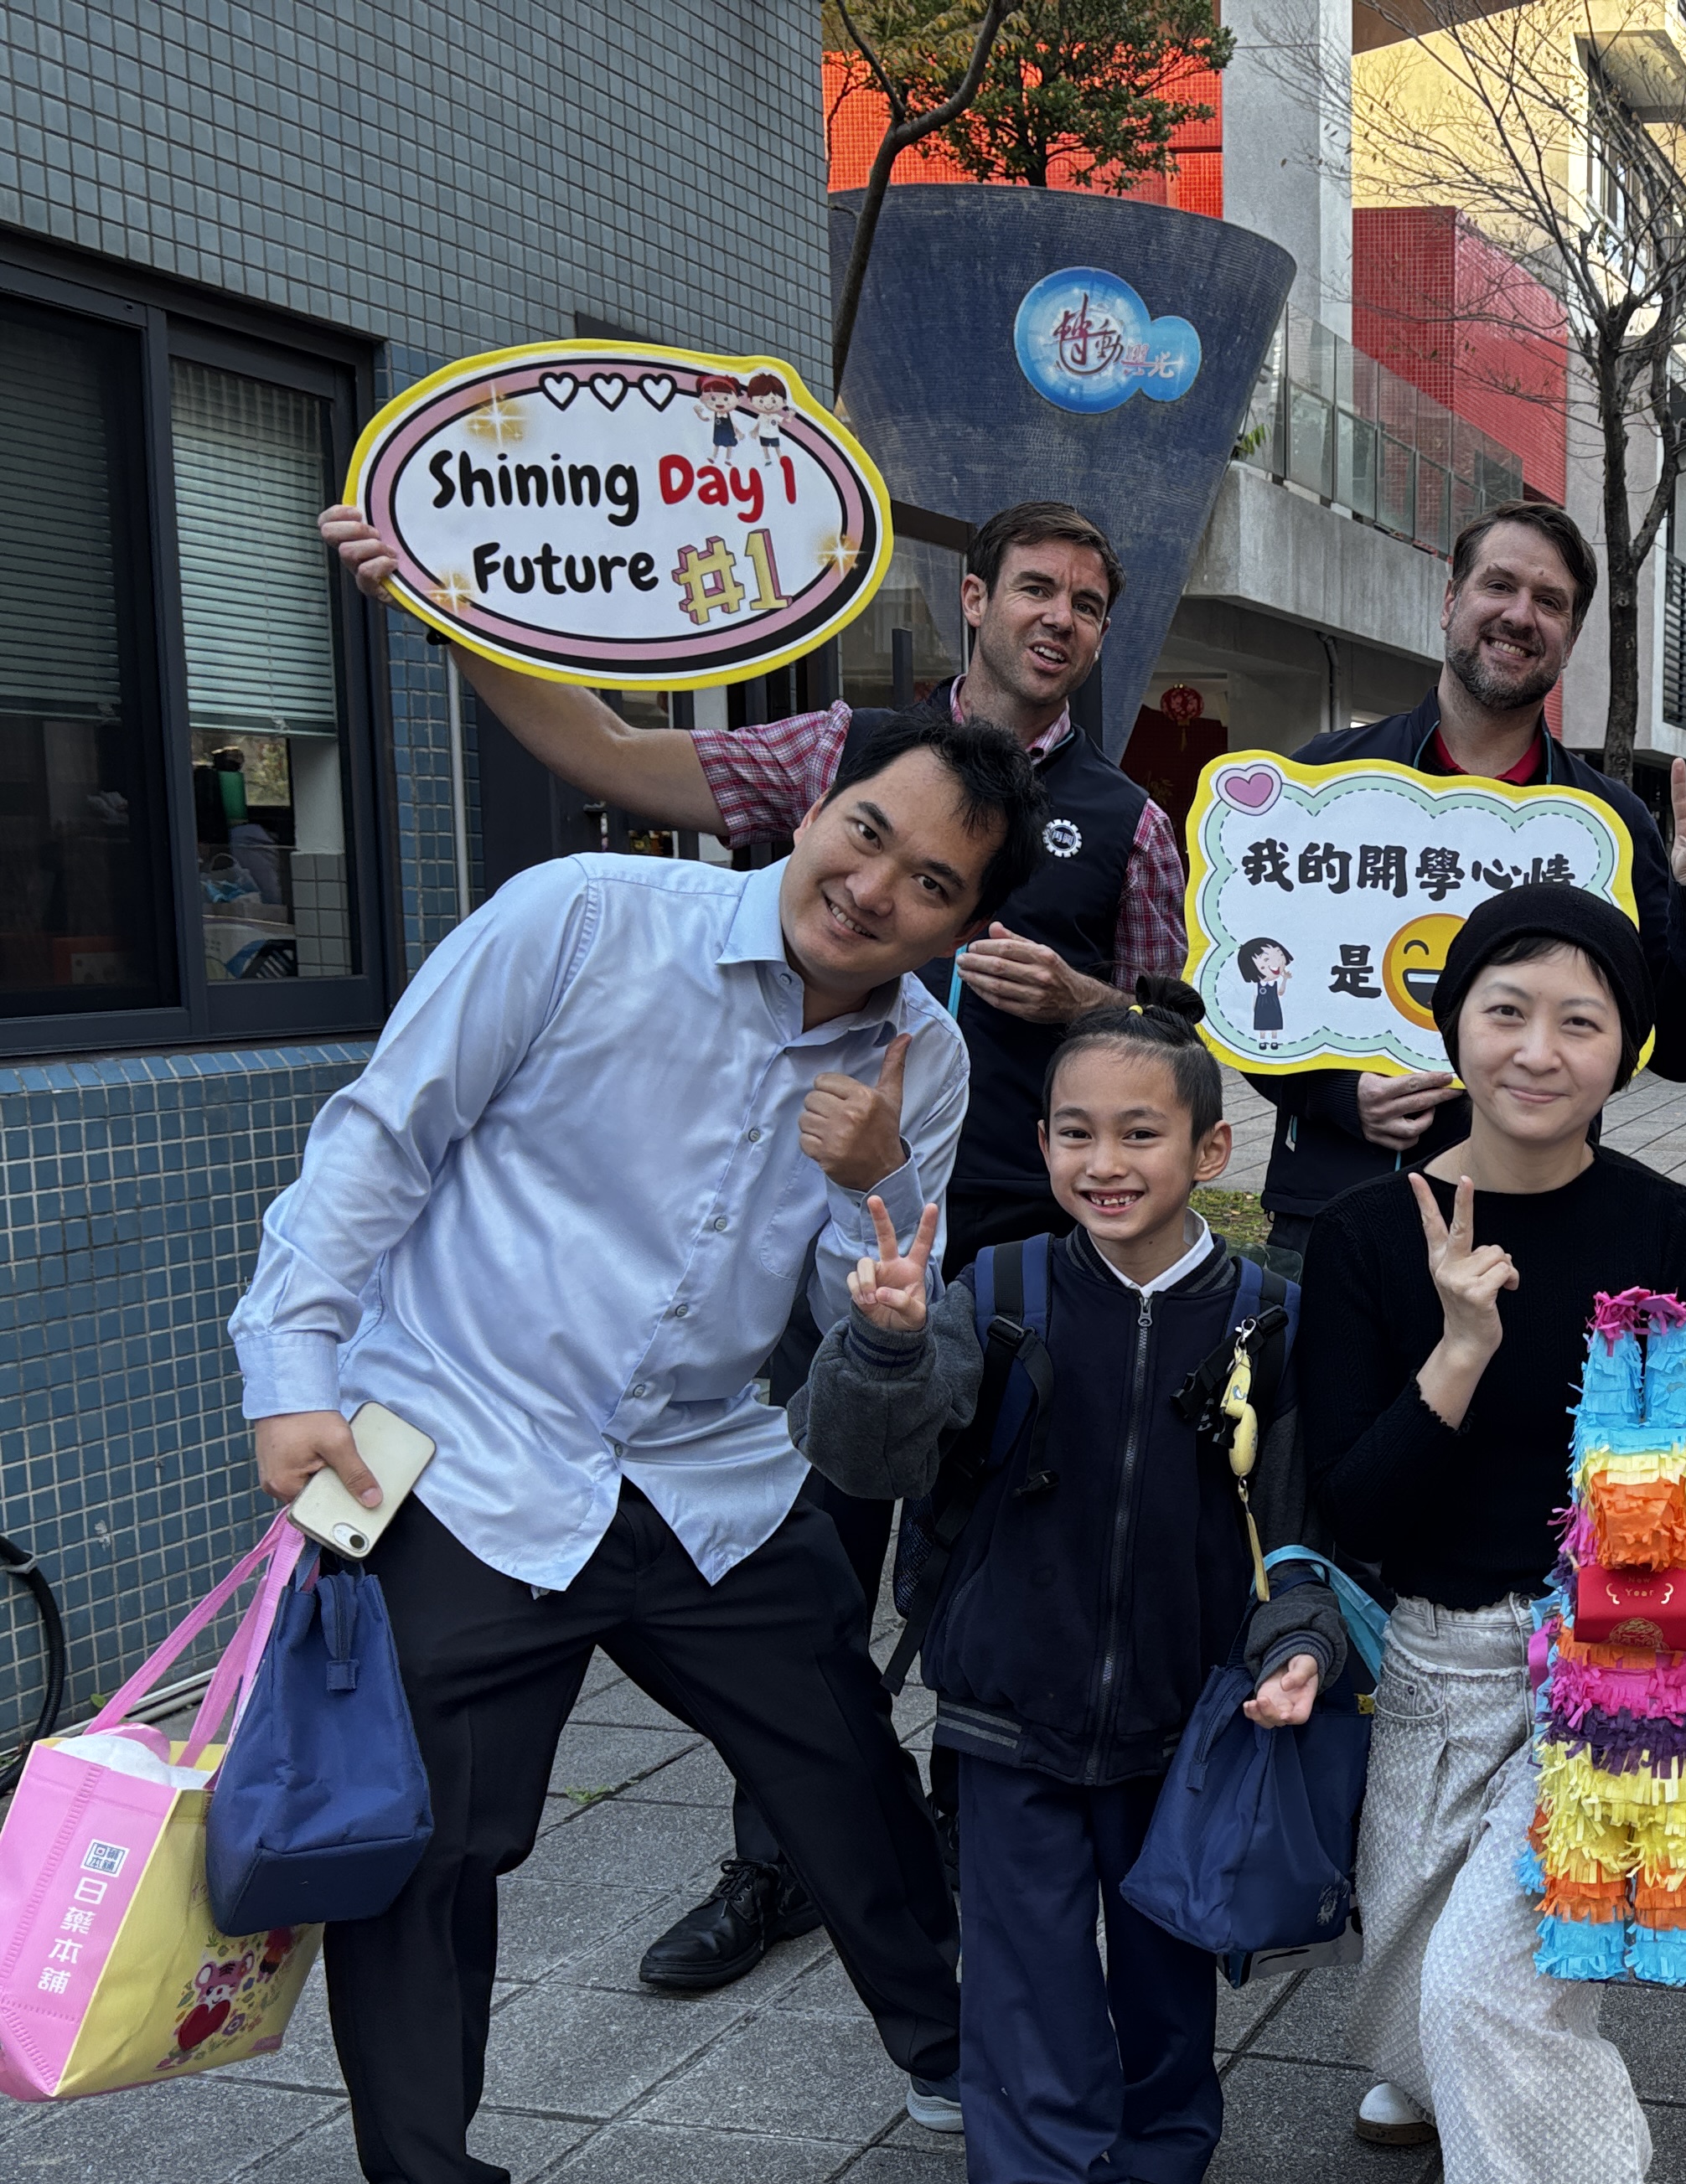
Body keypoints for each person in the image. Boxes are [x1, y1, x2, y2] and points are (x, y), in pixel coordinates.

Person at [229, 709, 1042, 2184]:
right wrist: (293, 1369)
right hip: (466, 1447)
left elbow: (865, 1312)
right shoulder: (583, 916)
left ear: (963, 927)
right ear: (813, 807)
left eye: (931, 883)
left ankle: (951, 2052)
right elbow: (382, 1137)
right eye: (867, 831)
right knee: (424, 1848)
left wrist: (879, 1189)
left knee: (842, 1763)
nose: (874, 887)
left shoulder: (925, 1056)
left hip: (699, 1467)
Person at [313, 493, 1182, 1989]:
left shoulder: (1130, 819)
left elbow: (1175, 1030)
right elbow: (615, 752)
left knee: (976, 1586)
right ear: (974, 598)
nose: (1059, 617)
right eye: (1035, 586)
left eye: (1088, 601)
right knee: (807, 1575)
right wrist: (450, 608)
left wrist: (1080, 1002)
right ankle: (771, 1870)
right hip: (782, 1262)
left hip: (1005, 1259)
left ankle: (966, 1875)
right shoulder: (835, 749)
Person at [788, 988, 1350, 2184]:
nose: (1105, 1160)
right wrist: (885, 1345)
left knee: (1166, 1961)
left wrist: (1299, 1644)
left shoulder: (1270, 1317)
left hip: (1186, 1714)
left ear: (1210, 1151)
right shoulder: (998, 1290)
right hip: (1010, 1707)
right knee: (1030, 1976)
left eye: (1140, 1133)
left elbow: (1302, 1530)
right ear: (1040, 1144)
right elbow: (866, 1458)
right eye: (1074, 1132)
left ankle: (1161, 2147)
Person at [1292, 885, 1686, 2184]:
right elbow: (1355, 1507)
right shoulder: (1366, 1234)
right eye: (1506, 1009)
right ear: (1453, 1024)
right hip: (1432, 1646)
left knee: (1496, 1994)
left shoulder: (1665, 1227)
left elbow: (1679, 1468)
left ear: (1624, 1047)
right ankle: (1438, 2070)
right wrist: (1460, 1344)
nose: (1538, 1048)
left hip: (1616, 1642)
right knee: (1412, 1963)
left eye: (1579, 1018)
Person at [1254, 500, 1686, 1276]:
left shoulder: (1604, 825)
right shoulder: (1326, 783)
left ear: (1570, 639)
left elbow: (1679, 1051)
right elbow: (1249, 990)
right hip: (1332, 1210)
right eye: (1499, 585)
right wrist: (1336, 1095)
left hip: (1538, 1224)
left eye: (1550, 602)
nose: (1520, 615)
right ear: (1451, 600)